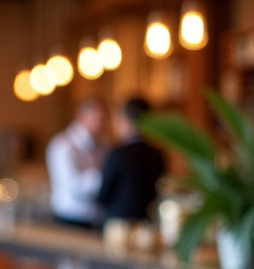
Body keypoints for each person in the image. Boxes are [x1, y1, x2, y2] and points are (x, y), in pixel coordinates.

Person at [97, 97, 166, 222]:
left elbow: (103, 194)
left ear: (126, 120)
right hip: (146, 222)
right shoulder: (157, 155)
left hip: (118, 223)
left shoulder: (118, 154)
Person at [46, 99, 108, 228]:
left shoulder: (105, 144)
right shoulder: (63, 145)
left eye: (104, 119)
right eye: (96, 118)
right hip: (70, 218)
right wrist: (103, 177)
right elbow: (73, 187)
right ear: (81, 116)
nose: (101, 124)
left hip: (98, 218)